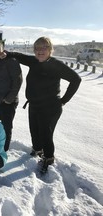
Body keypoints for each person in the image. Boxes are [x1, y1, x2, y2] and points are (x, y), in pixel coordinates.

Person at [5, 37, 81, 173]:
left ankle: (48, 158)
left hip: (51, 107)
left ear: (50, 49)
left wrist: (63, 100)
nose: (40, 51)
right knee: (34, 131)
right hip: (34, 105)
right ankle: (37, 151)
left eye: (44, 47)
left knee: (46, 134)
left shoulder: (55, 65)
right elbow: (20, 56)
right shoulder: (33, 62)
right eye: (37, 48)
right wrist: (6, 53)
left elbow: (76, 79)